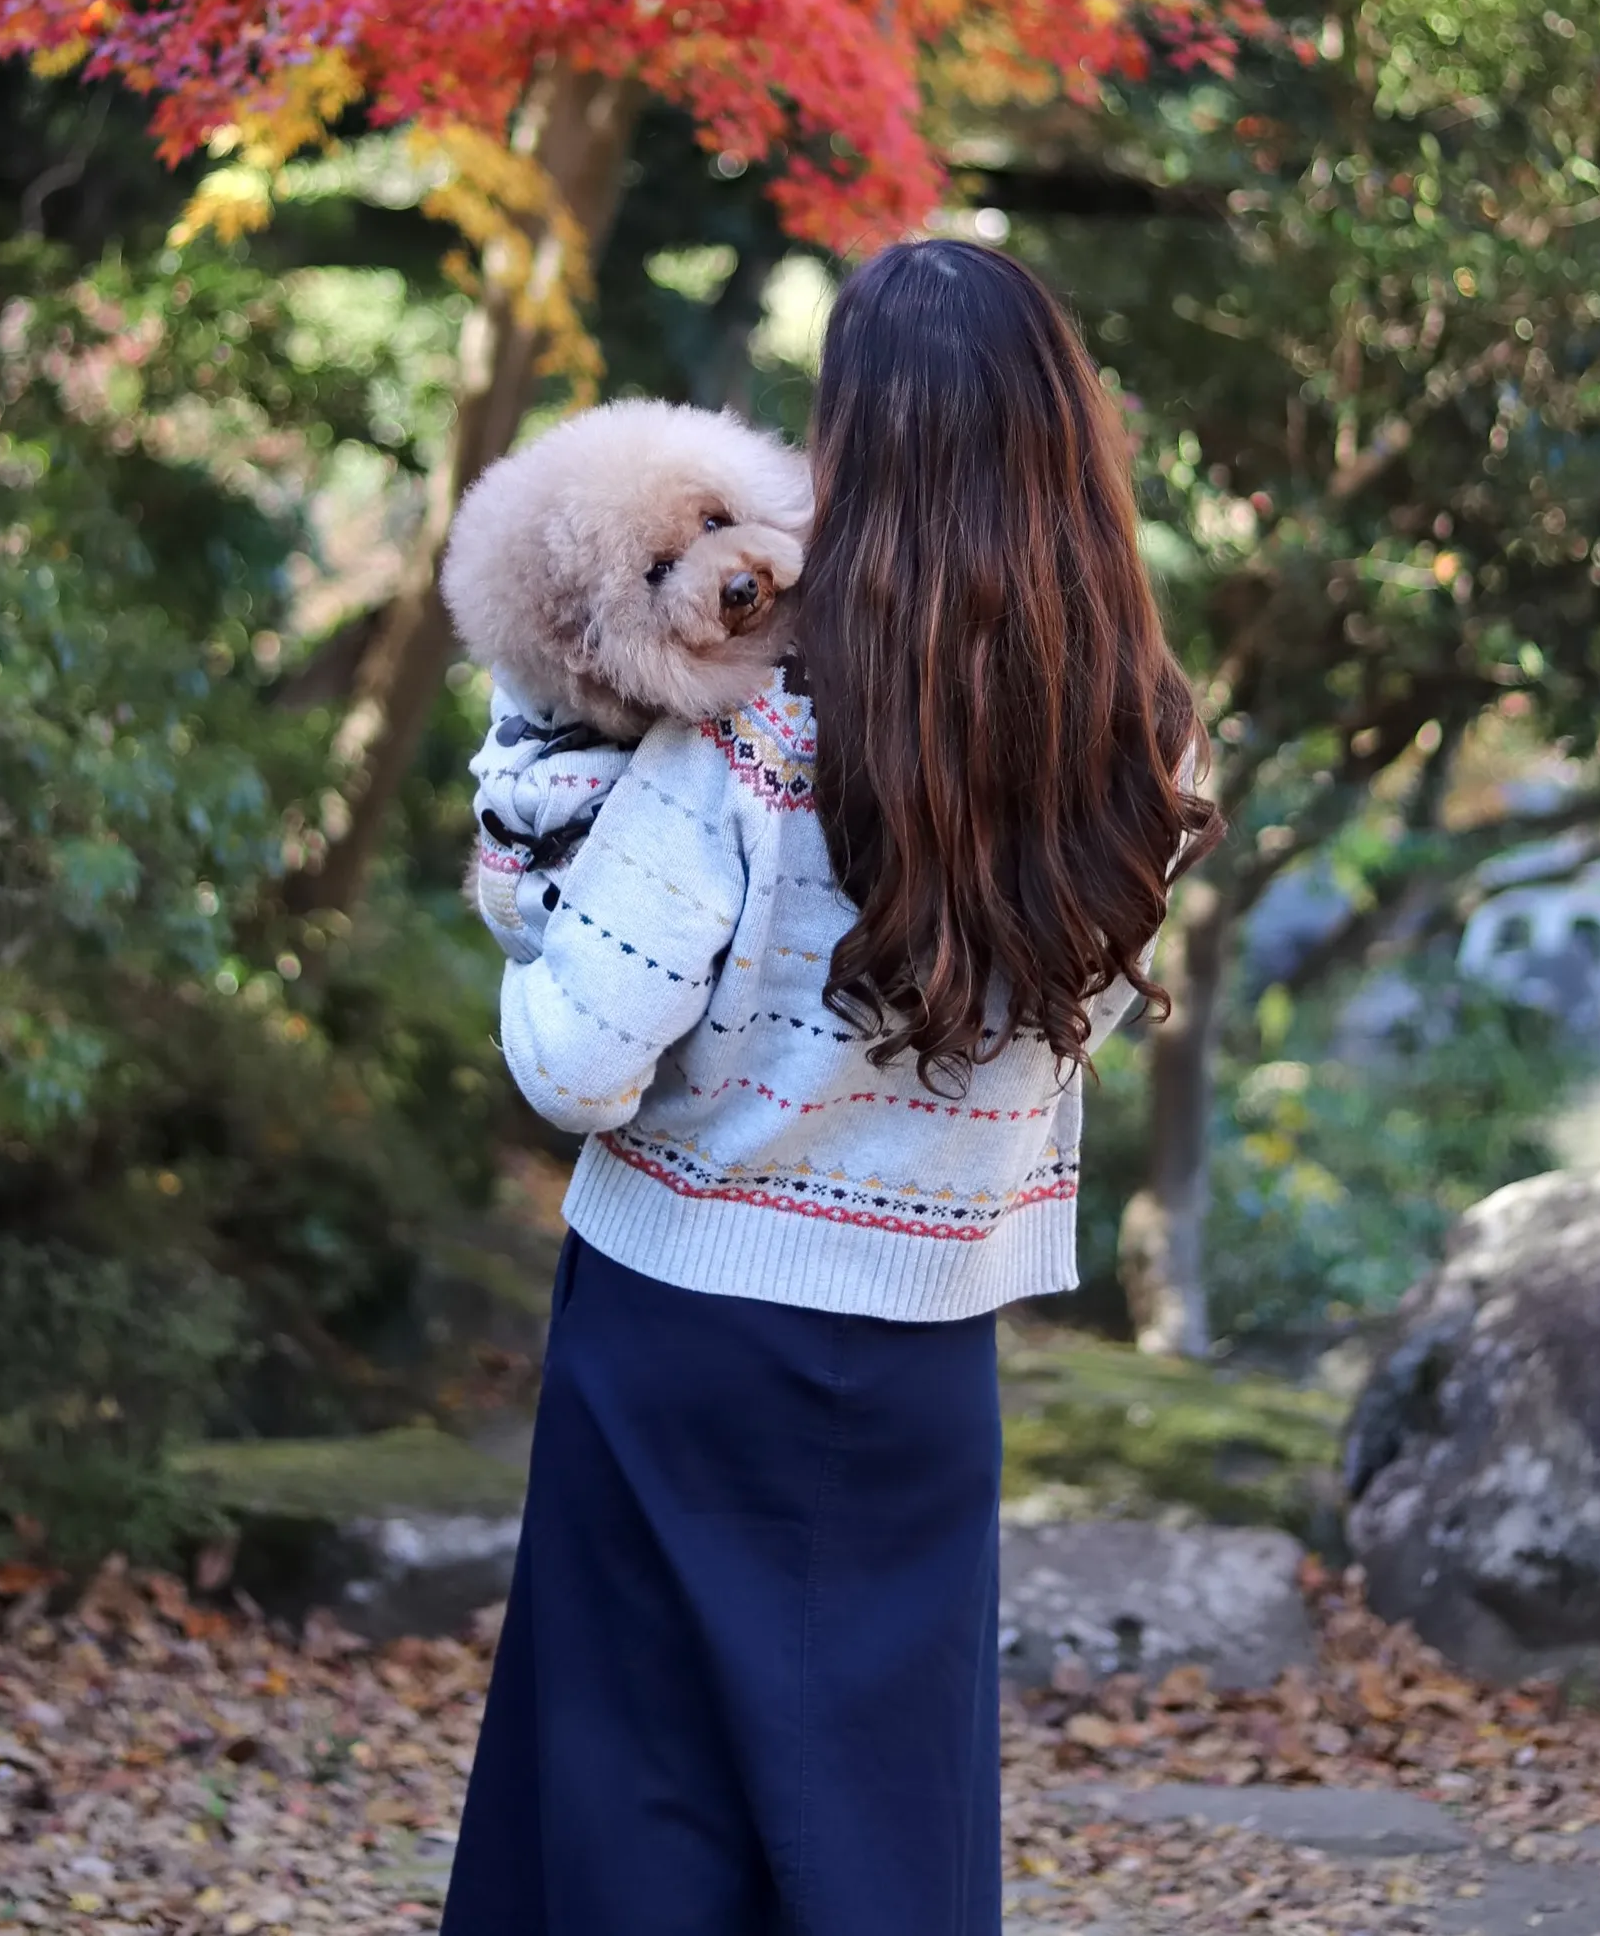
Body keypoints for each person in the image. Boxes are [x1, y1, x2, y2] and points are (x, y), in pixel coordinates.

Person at [441, 239, 1221, 1936]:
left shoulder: (744, 738)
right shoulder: (1139, 737)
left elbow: (576, 1062)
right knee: (879, 1819)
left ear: (848, 437)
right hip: (928, 1350)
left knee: (642, 1802)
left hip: (678, 1337)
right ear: (1061, 438)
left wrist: (525, 887)